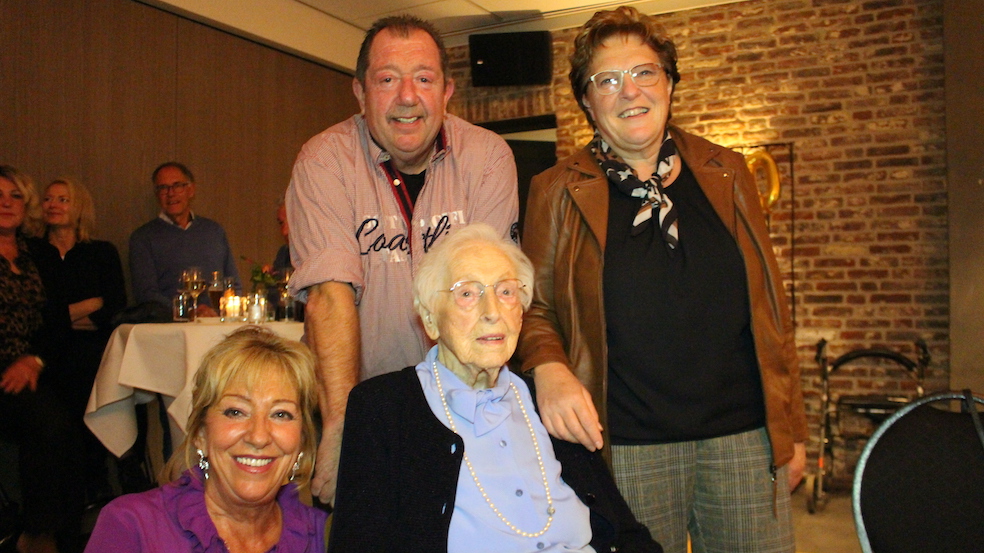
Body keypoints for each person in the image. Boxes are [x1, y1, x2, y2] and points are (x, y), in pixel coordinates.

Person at [517, 7, 807, 553]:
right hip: (626, 446)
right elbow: (532, 305)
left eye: (644, 72)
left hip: (744, 439)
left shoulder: (729, 171)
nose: (630, 91)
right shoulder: (555, 191)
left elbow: (770, 305)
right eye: (607, 80)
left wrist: (791, 430)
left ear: (669, 84)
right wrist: (549, 367)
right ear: (587, 100)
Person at [286, 14, 519, 503]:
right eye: (388, 80)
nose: (407, 97)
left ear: (447, 91)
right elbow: (329, 296)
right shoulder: (323, 160)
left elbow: (489, 302)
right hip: (357, 406)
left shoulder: (488, 158)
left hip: (465, 408)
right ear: (360, 92)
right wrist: (342, 428)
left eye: (424, 79)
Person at [329, 223, 661, 553]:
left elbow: (625, 531)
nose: (492, 313)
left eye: (506, 292)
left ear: (521, 314)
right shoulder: (384, 409)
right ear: (430, 320)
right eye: (467, 293)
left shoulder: (548, 401)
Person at [85, 326, 328, 553]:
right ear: (200, 433)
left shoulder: (324, 536)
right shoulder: (132, 527)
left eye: (280, 414)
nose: (258, 437)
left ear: (302, 440)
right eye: (236, 412)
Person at [0, 165, 81, 553]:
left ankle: (70, 534)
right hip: (2, 372)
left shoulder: (41, 255)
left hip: (36, 365)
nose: (6, 203)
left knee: (80, 407)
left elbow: (58, 324)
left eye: (15, 195)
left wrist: (34, 361)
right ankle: (38, 534)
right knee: (48, 420)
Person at [40, 177, 127, 501]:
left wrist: (61, 316)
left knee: (95, 372)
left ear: (79, 207)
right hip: (46, 350)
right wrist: (89, 304)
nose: (53, 205)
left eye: (63, 199)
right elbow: (38, 314)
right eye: (48, 199)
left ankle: (96, 482)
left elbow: (114, 306)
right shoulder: (33, 252)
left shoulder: (101, 252)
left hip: (93, 349)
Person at [129, 161, 239, 316]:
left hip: (215, 322)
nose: (171, 193)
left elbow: (232, 283)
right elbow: (146, 294)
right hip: (170, 324)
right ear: (157, 195)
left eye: (177, 186)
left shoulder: (214, 231)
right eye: (163, 188)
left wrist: (220, 312)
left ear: (191, 190)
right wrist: (187, 312)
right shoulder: (143, 238)